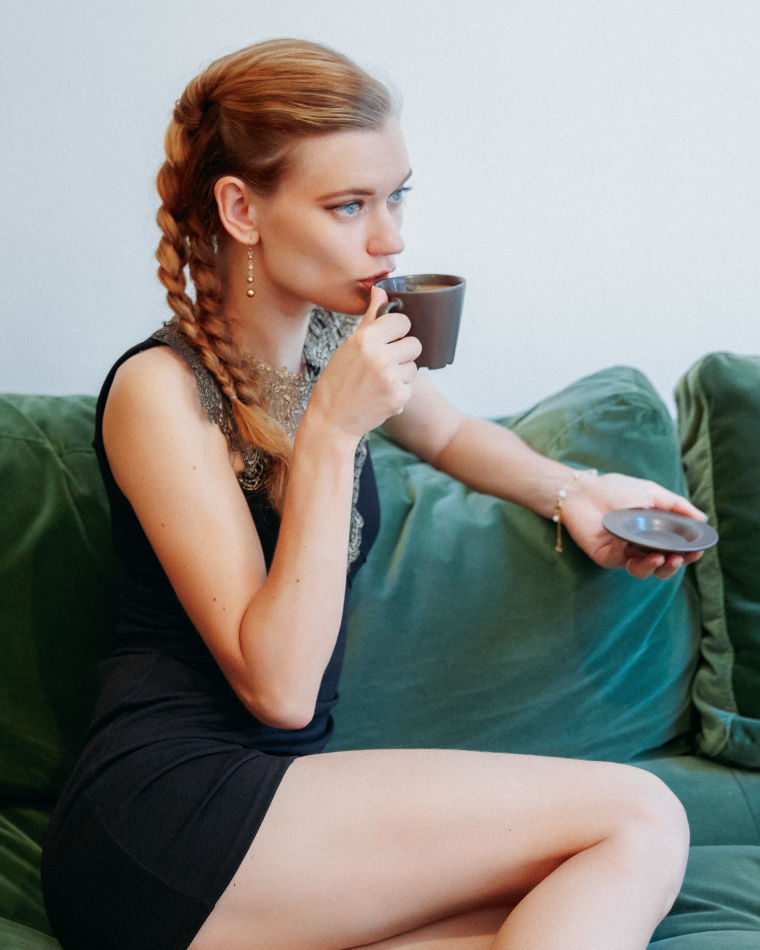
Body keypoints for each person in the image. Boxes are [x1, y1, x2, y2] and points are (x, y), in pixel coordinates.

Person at [41, 38, 701, 950]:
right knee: (641, 814)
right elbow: (279, 690)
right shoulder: (161, 390)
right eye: (349, 205)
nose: (390, 239)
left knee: (549, 910)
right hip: (166, 819)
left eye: (397, 197)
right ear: (241, 209)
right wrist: (331, 433)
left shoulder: (334, 342)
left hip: (279, 817)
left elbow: (449, 434)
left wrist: (578, 494)